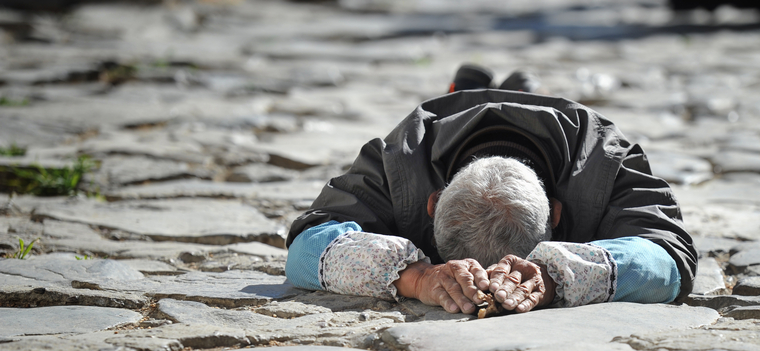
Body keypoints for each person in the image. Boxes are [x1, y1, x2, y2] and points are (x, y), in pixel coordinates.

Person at [285, 65, 697, 316]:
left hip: (554, 120)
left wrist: (559, 273)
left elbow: (669, 260)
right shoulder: (397, 161)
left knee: (525, 92)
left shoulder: (607, 160)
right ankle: (488, 88)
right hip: (451, 116)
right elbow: (307, 247)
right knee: (494, 90)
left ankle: (521, 88)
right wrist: (417, 277)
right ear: (433, 202)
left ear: (555, 214)